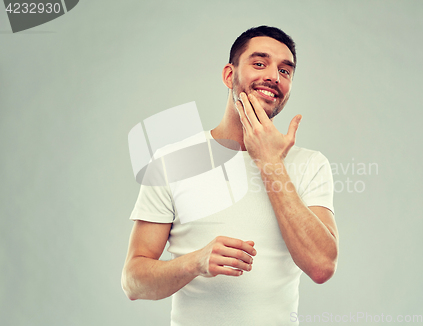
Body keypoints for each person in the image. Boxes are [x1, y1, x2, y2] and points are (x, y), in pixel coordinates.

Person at [121, 26, 339, 325]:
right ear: (229, 75)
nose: (274, 76)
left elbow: (321, 266)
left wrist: (269, 162)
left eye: (285, 71)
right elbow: (134, 282)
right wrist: (195, 262)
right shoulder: (173, 161)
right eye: (259, 63)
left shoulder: (310, 164)